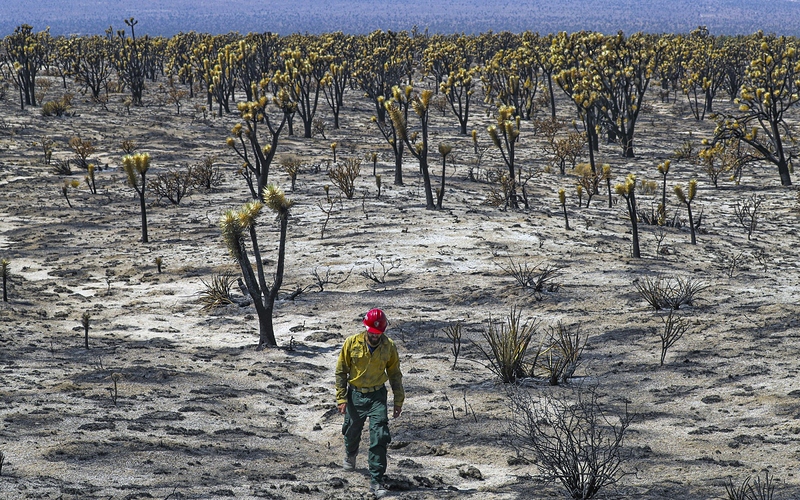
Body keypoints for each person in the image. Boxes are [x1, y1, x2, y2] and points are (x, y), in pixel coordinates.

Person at [335, 308, 404, 499]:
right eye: (372, 333)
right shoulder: (351, 343)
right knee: (351, 430)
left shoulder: (389, 346)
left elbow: (395, 374)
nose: (375, 337)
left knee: (380, 436)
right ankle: (351, 453)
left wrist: (398, 400)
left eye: (378, 334)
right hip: (355, 395)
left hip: (377, 396)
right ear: (366, 329)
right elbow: (341, 371)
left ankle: (376, 480)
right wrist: (341, 398)